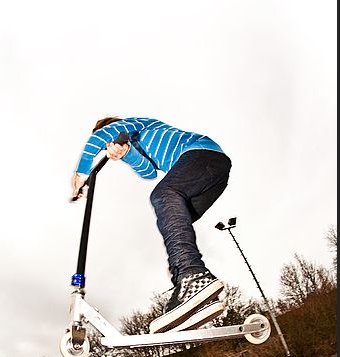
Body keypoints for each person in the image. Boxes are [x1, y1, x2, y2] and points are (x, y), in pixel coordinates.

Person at [71, 117, 232, 334]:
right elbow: (148, 171)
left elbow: (100, 136)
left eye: (108, 140)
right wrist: (127, 153)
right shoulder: (136, 144)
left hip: (202, 156)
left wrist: (81, 173)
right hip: (212, 172)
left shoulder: (138, 124)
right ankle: (190, 290)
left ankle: (193, 276)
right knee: (172, 219)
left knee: (163, 196)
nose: (106, 145)